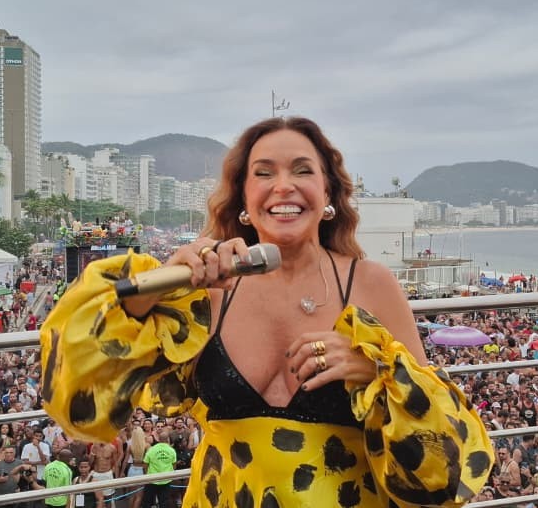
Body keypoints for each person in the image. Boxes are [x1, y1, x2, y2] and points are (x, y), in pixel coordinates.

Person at [41, 117, 492, 507]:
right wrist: (162, 284)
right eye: (264, 173)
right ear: (243, 197)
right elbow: (77, 397)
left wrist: (372, 370)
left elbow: (443, 450)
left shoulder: (370, 284)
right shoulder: (205, 289)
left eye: (302, 170)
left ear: (327, 191)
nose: (283, 186)